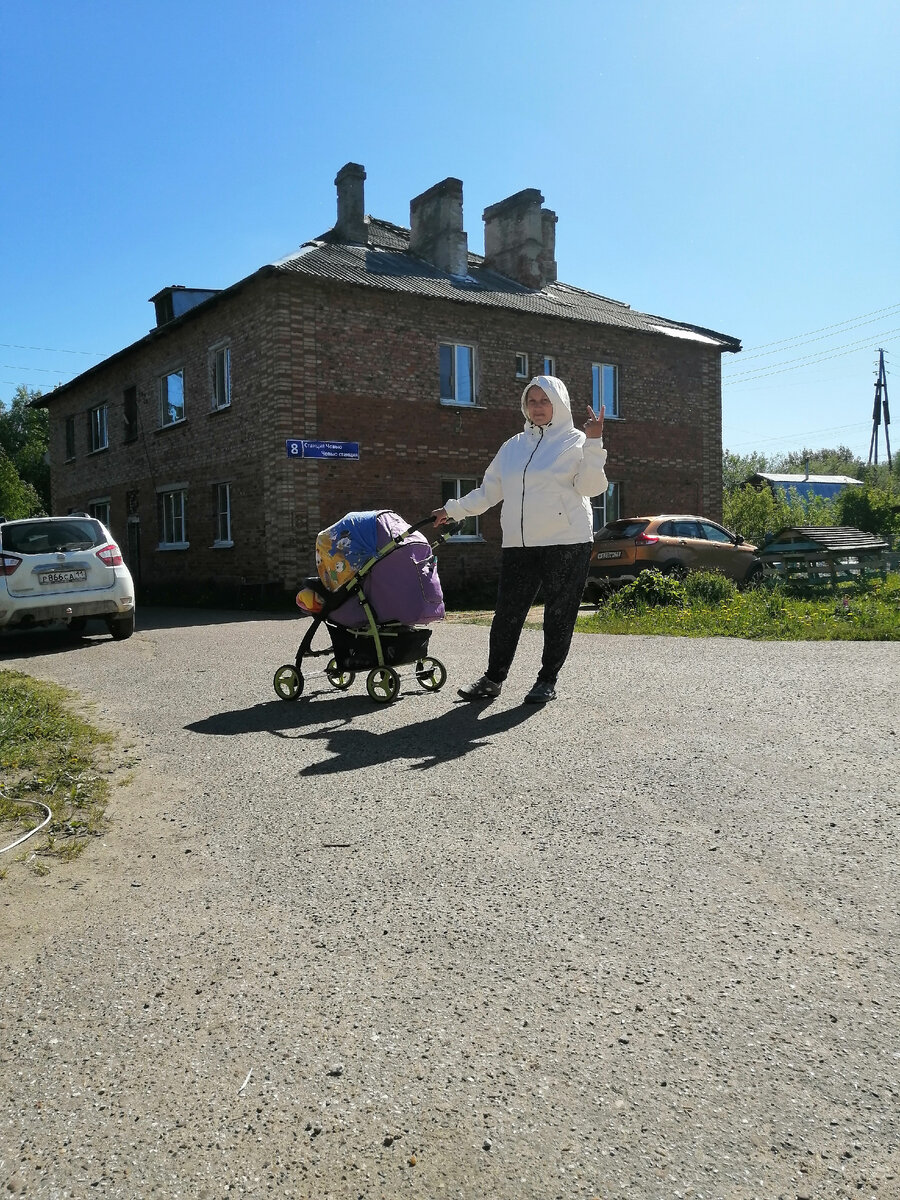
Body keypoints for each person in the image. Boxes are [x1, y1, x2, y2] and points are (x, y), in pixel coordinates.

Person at [432, 374, 607, 704]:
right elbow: (489, 492)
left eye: (545, 401)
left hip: (567, 541)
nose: (538, 408)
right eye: (532, 401)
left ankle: (546, 680)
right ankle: (492, 679)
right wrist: (452, 509)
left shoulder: (577, 441)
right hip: (519, 543)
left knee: (558, 614)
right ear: (525, 406)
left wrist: (594, 442)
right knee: (507, 614)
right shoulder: (513, 446)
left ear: (559, 403)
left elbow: (591, 488)